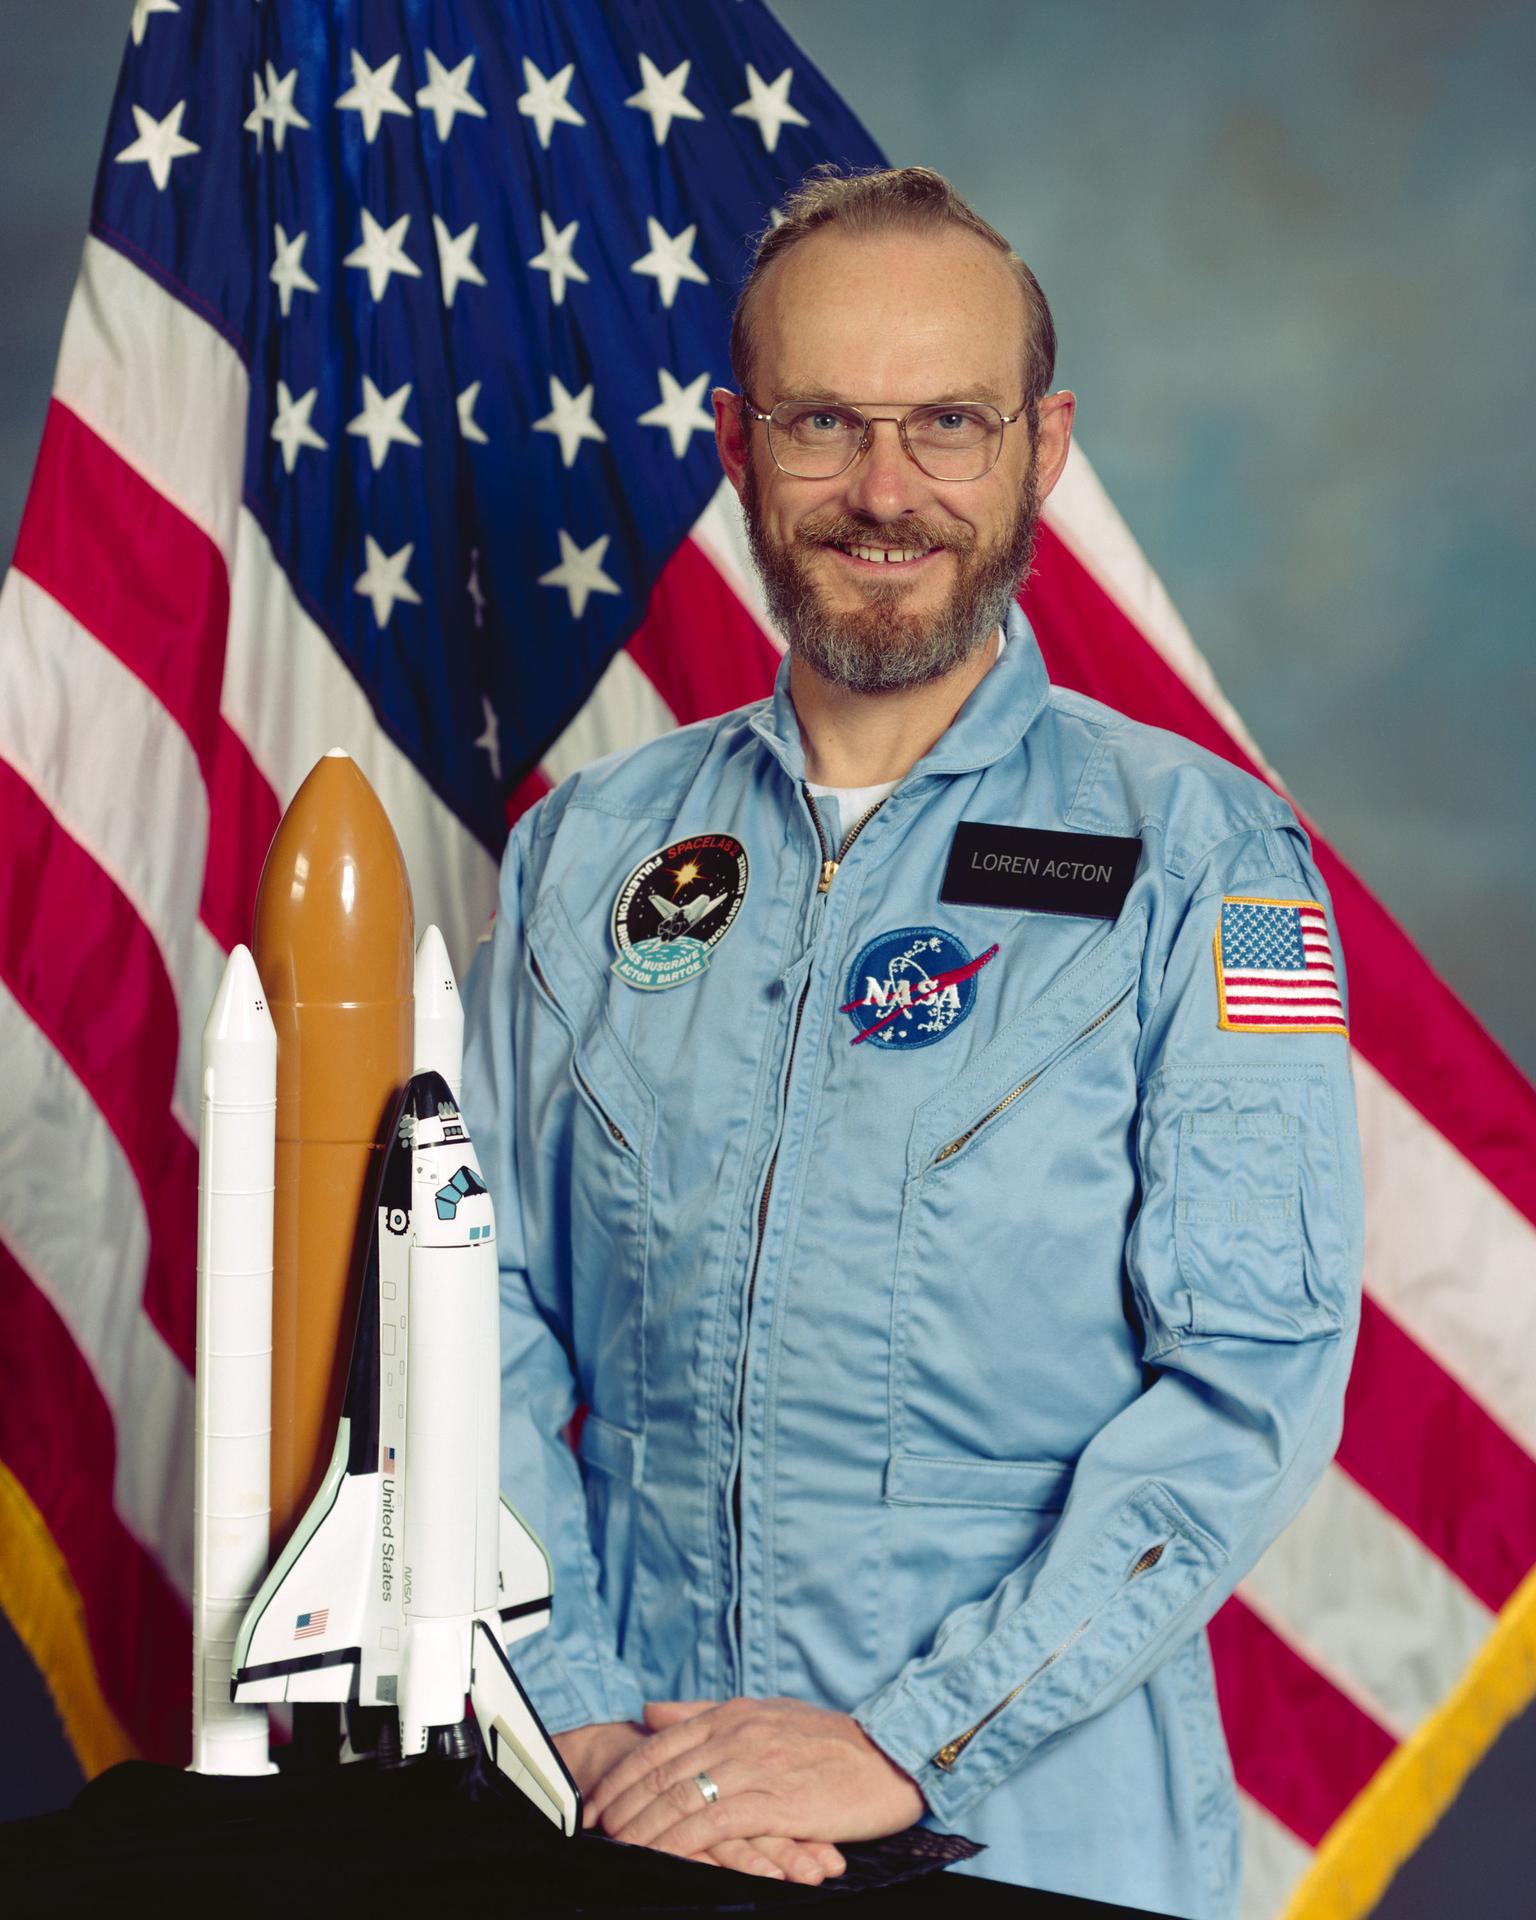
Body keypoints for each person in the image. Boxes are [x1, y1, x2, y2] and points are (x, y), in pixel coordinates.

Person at [462, 166, 1362, 1918]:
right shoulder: (592, 851)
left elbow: (1252, 1372)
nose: (887, 494)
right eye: (824, 425)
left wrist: (910, 1745)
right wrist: (569, 1723)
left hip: (1030, 1826)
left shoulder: (1213, 866)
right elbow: (474, 1298)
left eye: (949, 423)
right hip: (629, 1797)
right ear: (736, 445)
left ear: (1041, 448)